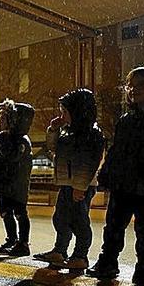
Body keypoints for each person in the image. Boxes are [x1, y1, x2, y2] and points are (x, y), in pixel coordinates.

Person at [87, 65, 144, 286]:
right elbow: (117, 150)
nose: (133, 90)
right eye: (131, 86)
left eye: (141, 85)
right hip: (123, 181)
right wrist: (107, 174)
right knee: (114, 224)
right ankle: (108, 262)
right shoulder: (127, 119)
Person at [33, 89, 105, 270]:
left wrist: (80, 187)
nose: (62, 115)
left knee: (79, 221)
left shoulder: (91, 134)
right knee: (61, 218)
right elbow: (53, 147)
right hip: (66, 183)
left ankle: (80, 255)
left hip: (80, 186)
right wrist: (53, 129)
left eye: (65, 111)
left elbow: (88, 163)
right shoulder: (67, 132)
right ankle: (60, 250)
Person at [0, 99, 35, 256]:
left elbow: (11, 156)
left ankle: (23, 243)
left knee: (20, 213)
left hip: (16, 186)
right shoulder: (5, 137)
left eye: (3, 118)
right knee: (6, 213)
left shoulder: (20, 140)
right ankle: (12, 239)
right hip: (4, 185)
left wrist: (1, 138)